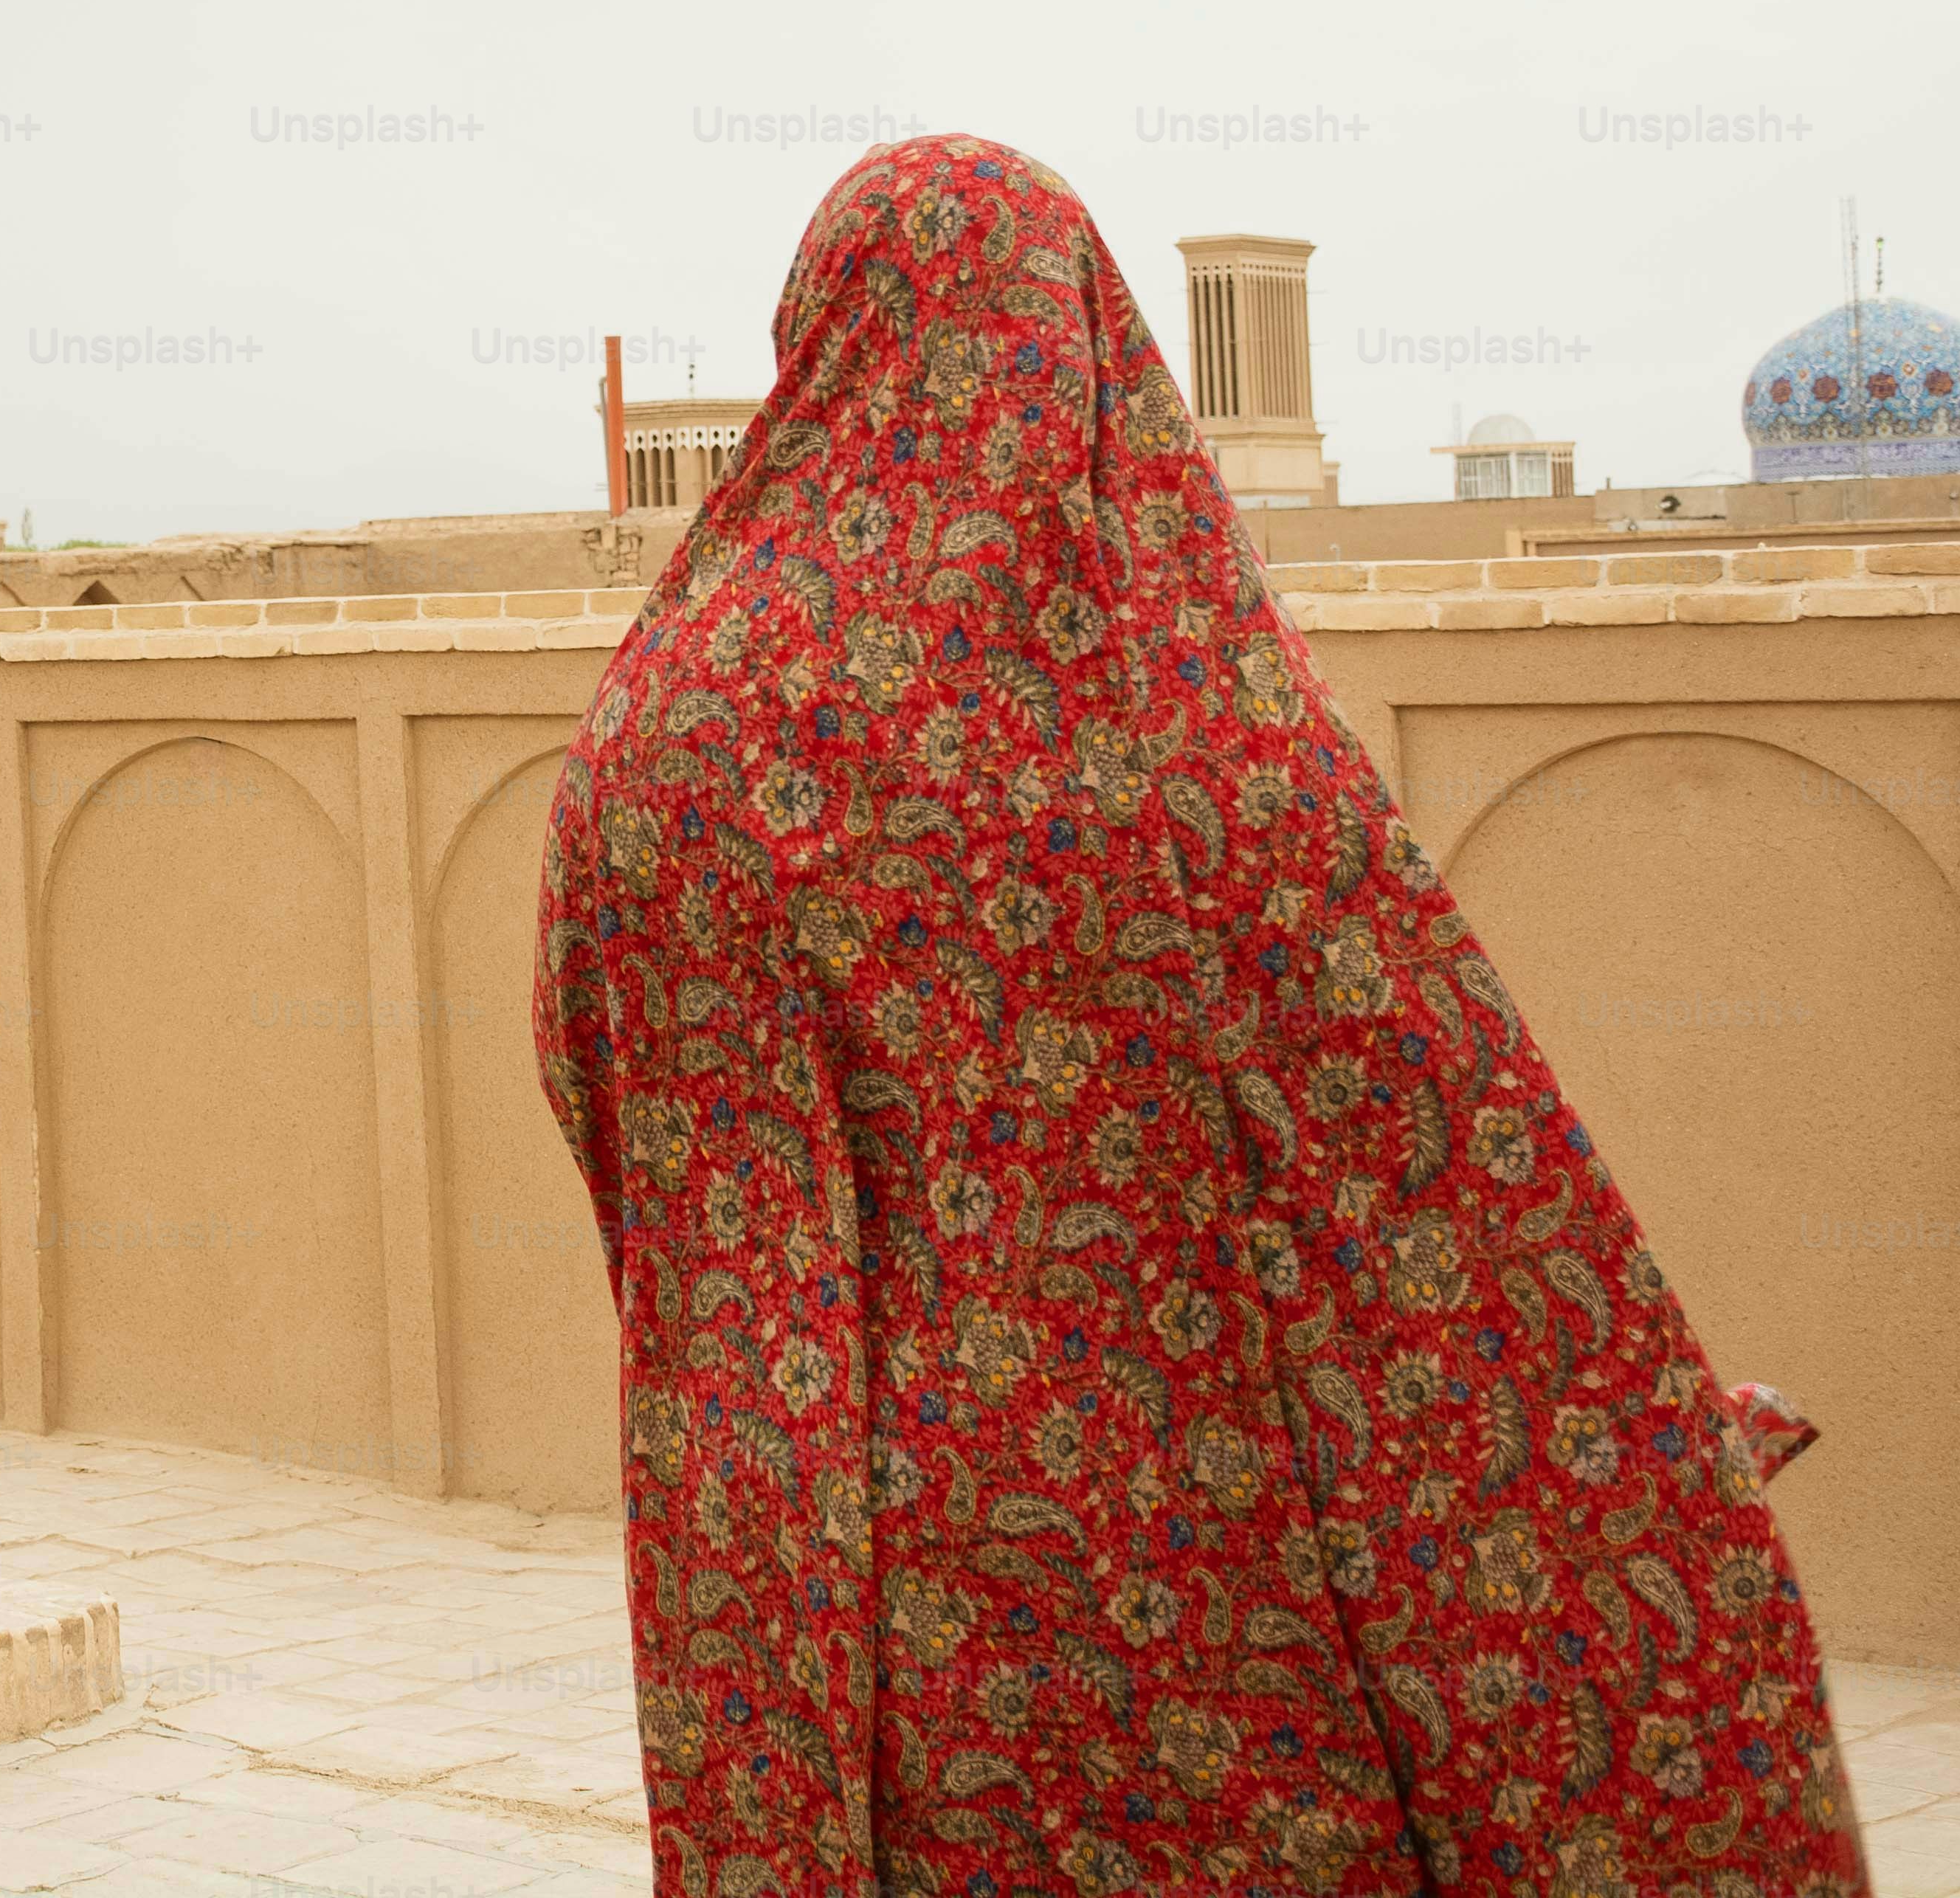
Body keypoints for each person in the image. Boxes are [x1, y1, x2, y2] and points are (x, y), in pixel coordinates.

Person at [533, 136, 1863, 1896]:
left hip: (841, 1600)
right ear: (1084, 341)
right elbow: (1425, 1148)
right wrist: (1621, 1450)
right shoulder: (1201, 736)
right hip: (1212, 1573)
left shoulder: (667, 733)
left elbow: (609, 1109)